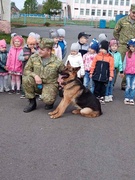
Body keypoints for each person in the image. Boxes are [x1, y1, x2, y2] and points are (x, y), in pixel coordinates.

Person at [22, 38, 65, 113]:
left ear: (49, 51)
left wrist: (61, 79)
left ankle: (50, 102)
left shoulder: (57, 61)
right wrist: (35, 76)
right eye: (39, 48)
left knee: (48, 100)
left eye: (42, 49)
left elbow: (64, 73)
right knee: (26, 79)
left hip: (50, 84)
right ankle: (32, 103)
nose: (39, 51)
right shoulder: (34, 57)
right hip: (36, 82)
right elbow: (26, 70)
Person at [113, 4, 135, 90]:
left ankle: (125, 84)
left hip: (133, 47)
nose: (134, 14)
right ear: (130, 11)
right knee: (117, 64)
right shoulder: (122, 21)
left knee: (130, 65)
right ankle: (112, 82)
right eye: (133, 12)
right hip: (122, 45)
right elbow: (116, 31)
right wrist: (120, 40)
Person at [90, 40, 114, 104]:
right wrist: (91, 73)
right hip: (97, 75)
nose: (101, 50)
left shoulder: (110, 58)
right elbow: (93, 65)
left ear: (106, 49)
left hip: (104, 76)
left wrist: (111, 76)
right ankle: (96, 98)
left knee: (103, 88)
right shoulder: (97, 56)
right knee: (96, 87)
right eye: (100, 48)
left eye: (103, 49)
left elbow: (111, 68)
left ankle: (101, 97)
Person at [105, 38, 124, 102]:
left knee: (112, 83)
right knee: (107, 83)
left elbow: (120, 63)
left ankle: (110, 94)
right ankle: (106, 94)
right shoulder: (108, 53)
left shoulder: (118, 54)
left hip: (114, 70)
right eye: (112, 46)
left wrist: (121, 70)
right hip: (108, 70)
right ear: (110, 46)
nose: (114, 47)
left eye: (115, 46)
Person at [123, 38, 135, 105]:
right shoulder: (127, 54)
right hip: (128, 73)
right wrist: (123, 71)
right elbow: (124, 62)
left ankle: (131, 98)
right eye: (130, 46)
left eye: (133, 46)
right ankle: (127, 97)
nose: (131, 48)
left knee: (133, 86)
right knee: (128, 85)